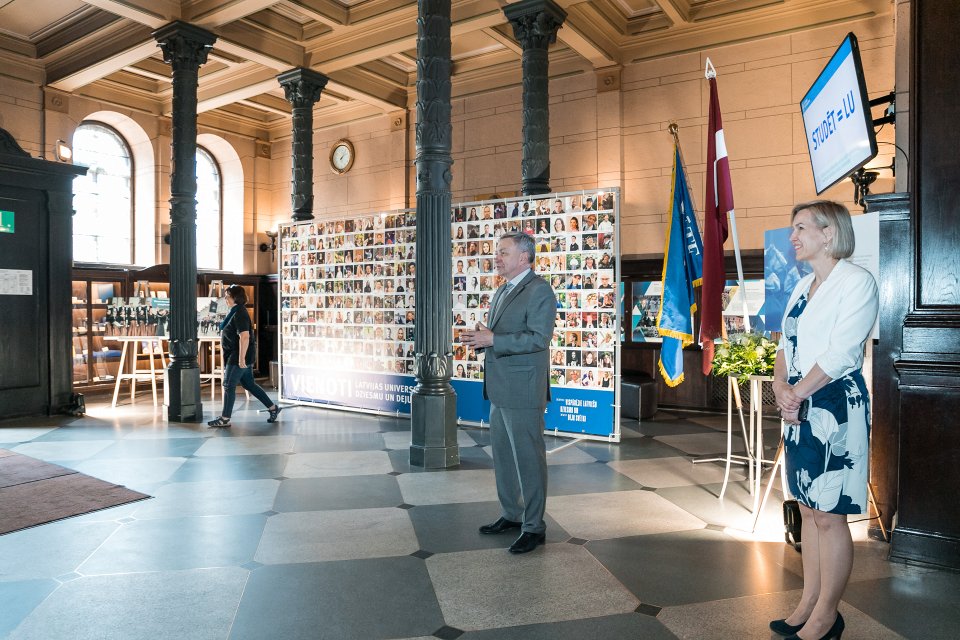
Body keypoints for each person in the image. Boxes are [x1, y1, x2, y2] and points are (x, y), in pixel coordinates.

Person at [770, 201, 879, 640]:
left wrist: (795, 392)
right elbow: (783, 344)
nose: (792, 237)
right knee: (808, 508)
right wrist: (781, 387)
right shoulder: (802, 286)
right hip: (799, 403)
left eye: (799, 228)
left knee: (831, 516)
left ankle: (827, 616)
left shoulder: (857, 282)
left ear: (828, 232)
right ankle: (808, 602)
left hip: (834, 404)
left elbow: (841, 354)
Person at [461, 232, 557, 555]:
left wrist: (493, 341)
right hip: (500, 390)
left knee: (528, 460)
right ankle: (512, 514)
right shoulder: (502, 290)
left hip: (524, 391)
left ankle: (534, 527)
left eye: (503, 252)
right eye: (497, 252)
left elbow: (538, 339)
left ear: (523, 257)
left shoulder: (540, 291)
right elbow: (498, 335)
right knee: (503, 458)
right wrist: (480, 338)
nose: (497, 257)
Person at [207, 285, 282, 427]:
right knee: (249, 384)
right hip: (237, 355)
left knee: (229, 385)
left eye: (227, 295)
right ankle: (273, 408)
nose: (225, 298)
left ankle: (224, 418)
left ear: (236, 297)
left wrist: (241, 358)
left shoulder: (240, 312)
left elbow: (245, 337)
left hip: (238, 356)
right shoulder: (235, 311)